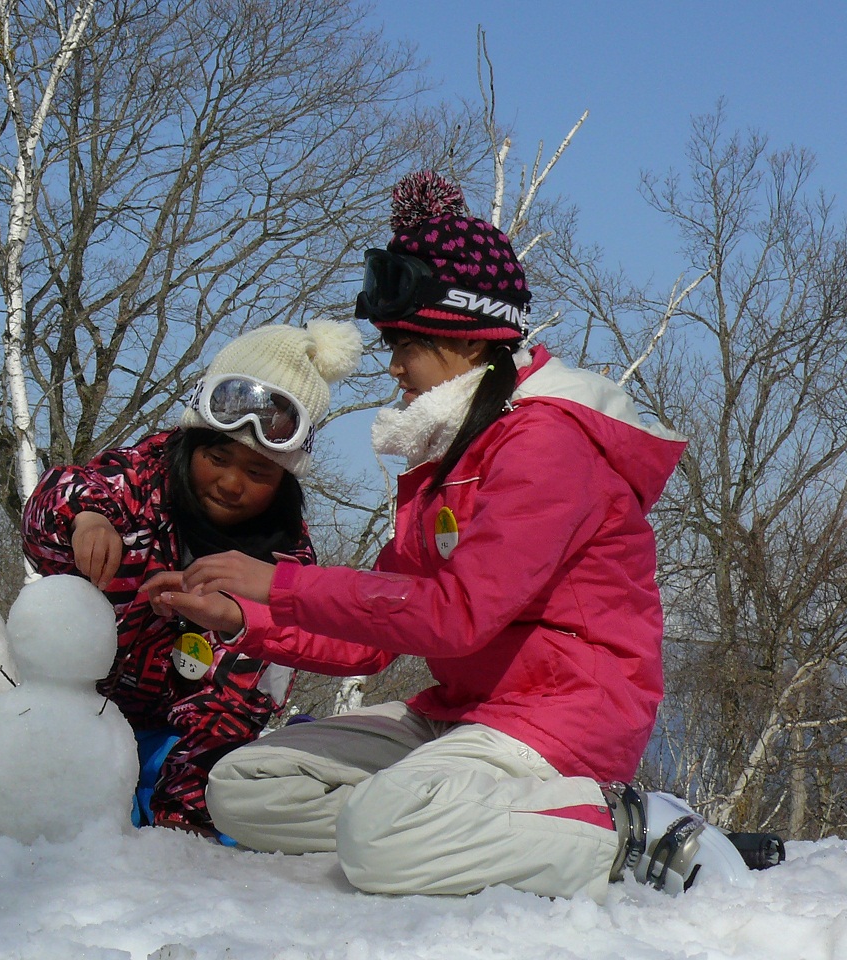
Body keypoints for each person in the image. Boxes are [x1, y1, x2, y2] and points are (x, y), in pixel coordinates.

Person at [145, 171, 752, 898]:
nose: (393, 364)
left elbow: (458, 614)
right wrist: (247, 618)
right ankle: (471, 827)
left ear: (469, 342)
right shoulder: (449, 454)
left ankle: (631, 832)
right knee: (247, 784)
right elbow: (377, 632)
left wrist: (276, 581)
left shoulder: (545, 446)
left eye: (408, 345)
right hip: (464, 715)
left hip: (563, 719)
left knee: (378, 835)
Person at [20, 319, 362, 835]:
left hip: (187, 742)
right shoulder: (134, 487)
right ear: (190, 443)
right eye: (216, 457)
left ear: (284, 481)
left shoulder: (284, 567)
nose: (230, 483)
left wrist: (179, 825)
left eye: (258, 473)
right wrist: (86, 519)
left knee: (227, 793)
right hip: (83, 720)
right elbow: (55, 498)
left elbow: (244, 700)